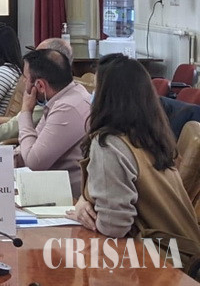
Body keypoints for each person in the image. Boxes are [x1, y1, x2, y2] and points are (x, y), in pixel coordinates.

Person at [67, 54, 200, 259]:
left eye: (96, 89)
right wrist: (84, 201)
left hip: (160, 260)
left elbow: (114, 226)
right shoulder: (151, 137)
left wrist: (81, 211)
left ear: (106, 97)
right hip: (182, 252)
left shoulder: (108, 145)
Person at [0, 37, 71, 142]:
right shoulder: (48, 93)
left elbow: (6, 133)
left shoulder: (52, 100)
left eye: (38, 56)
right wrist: (12, 120)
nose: (24, 81)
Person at [14, 48, 92, 198]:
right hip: (49, 188)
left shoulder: (67, 108)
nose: (23, 82)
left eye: (25, 77)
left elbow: (34, 163)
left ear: (40, 86)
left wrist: (25, 112)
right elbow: (34, 142)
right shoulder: (64, 97)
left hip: (68, 199)